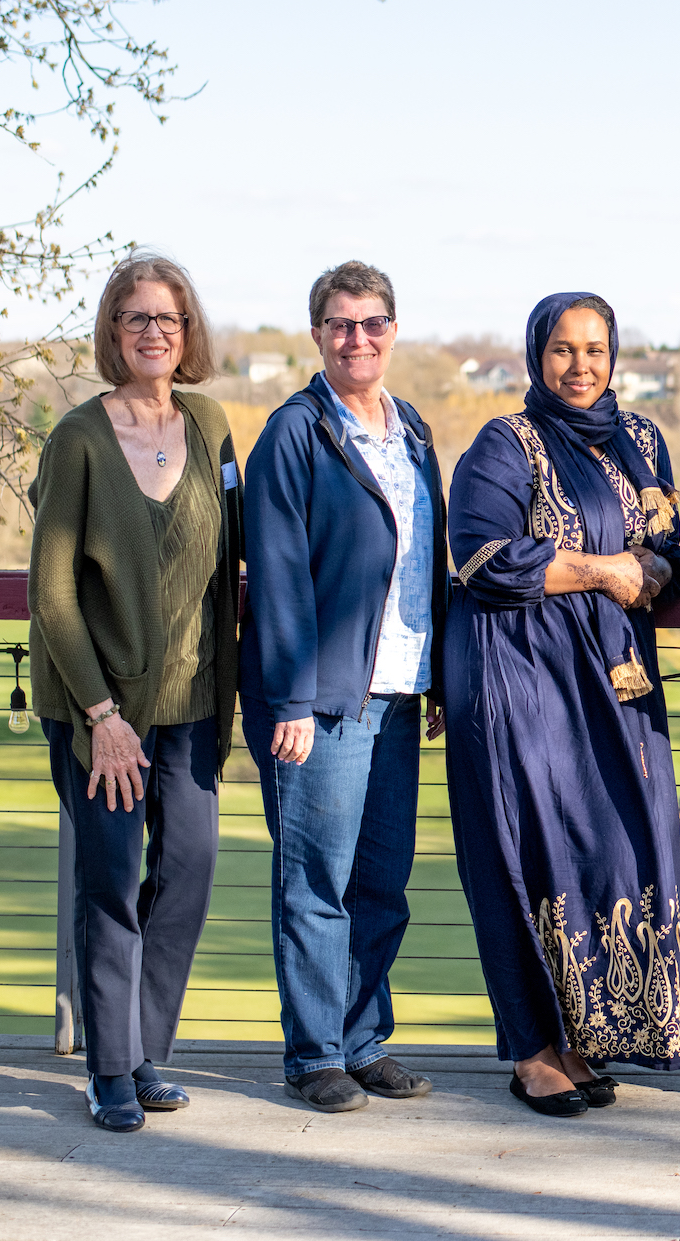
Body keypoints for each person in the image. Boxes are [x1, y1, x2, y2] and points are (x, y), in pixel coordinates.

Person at [445, 291, 680, 1118]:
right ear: (535, 356)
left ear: (615, 355)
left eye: (595, 349)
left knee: (617, 842)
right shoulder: (505, 443)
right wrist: (602, 569)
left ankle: (587, 1035)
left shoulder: (643, 440)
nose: (580, 366)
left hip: (615, 680)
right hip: (523, 679)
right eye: (562, 349)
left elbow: (665, 540)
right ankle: (533, 1051)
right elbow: (482, 556)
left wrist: (657, 570)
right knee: (530, 851)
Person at [27, 252, 240, 1132]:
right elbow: (51, 592)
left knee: (187, 871)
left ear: (188, 334)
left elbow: (231, 566)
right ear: (114, 331)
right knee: (111, 880)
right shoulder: (79, 437)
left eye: (170, 318)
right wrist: (103, 717)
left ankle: (146, 1048)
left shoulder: (213, 424)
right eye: (138, 317)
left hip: (191, 704)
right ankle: (110, 1069)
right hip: (100, 708)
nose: (156, 332)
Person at [241, 260, 449, 1114]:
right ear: (318, 334)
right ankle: (314, 1054)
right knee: (315, 884)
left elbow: (428, 562)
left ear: (392, 331)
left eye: (371, 323)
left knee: (381, 881)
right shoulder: (295, 434)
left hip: (402, 691)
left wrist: (439, 676)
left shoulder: (416, 433)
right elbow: (280, 573)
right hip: (322, 701)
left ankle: (364, 1042)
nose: (356, 338)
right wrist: (289, 698)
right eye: (339, 324)